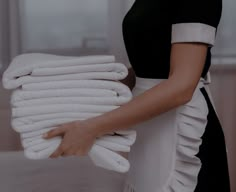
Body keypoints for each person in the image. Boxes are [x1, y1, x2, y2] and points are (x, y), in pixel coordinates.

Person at [43, 0, 231, 191]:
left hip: (183, 130)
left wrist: (91, 128)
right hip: (149, 128)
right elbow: (151, 66)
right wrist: (90, 88)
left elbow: (181, 87)